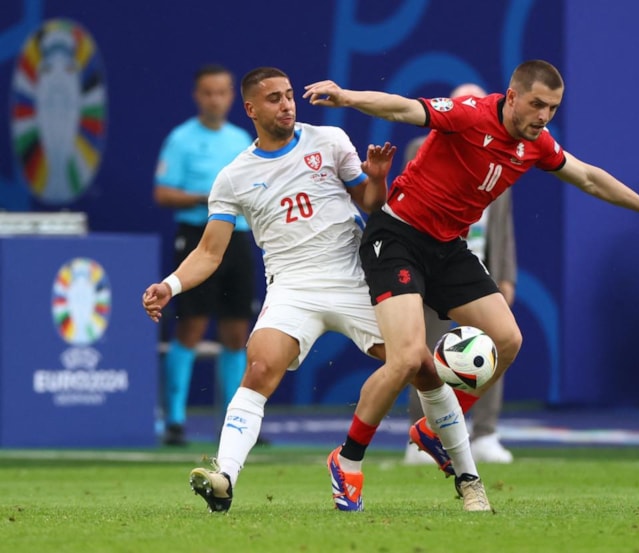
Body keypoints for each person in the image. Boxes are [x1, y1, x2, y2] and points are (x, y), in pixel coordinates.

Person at [303, 60, 639, 473]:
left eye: (553, 108)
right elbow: (402, 108)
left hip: (447, 247)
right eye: (537, 104)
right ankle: (348, 461)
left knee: (507, 339)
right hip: (399, 237)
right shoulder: (469, 114)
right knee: (407, 360)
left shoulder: (537, 143)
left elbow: (588, 177)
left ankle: (435, 428)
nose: (544, 116)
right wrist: (347, 97)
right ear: (512, 97)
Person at [143, 67, 486, 514]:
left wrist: (377, 178)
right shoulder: (234, 176)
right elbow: (209, 252)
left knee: (420, 364)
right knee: (260, 366)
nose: (286, 104)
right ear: (251, 109)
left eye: (289, 95)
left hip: (353, 276)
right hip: (292, 287)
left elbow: (373, 206)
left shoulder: (329, 141)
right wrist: (170, 285)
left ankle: (468, 478)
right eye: (274, 98)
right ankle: (224, 477)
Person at [403, 83, 516, 465]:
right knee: (423, 354)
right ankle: (422, 435)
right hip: (432, 264)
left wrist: (507, 275)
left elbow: (504, 224)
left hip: (477, 268)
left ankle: (485, 432)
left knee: (497, 346)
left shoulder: (506, 150)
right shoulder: (423, 149)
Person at [154, 64, 255, 446]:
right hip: (198, 236)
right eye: (208, 93)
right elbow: (163, 193)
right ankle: (175, 421)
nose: (215, 99)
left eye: (222, 92)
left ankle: (235, 422)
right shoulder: (181, 139)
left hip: (237, 238)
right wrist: (207, 199)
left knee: (236, 332)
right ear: (198, 96)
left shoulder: (241, 138)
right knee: (192, 327)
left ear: (232, 97)